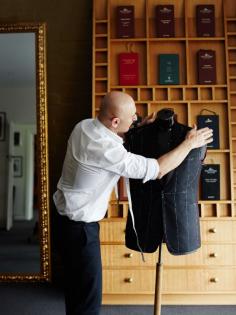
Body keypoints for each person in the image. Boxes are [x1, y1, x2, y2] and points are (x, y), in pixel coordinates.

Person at [53, 91, 213, 315]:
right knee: (88, 300)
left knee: (76, 291)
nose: (137, 119)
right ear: (115, 121)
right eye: (132, 117)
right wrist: (189, 144)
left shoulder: (85, 126)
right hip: (79, 229)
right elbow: (157, 169)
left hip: (65, 219)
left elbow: (113, 140)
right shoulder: (106, 150)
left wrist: (130, 131)